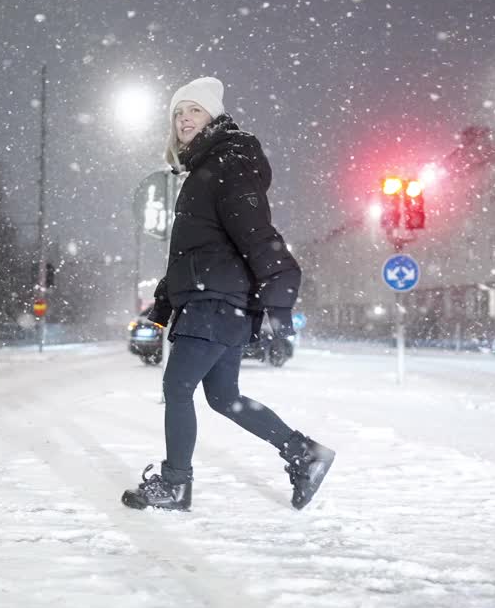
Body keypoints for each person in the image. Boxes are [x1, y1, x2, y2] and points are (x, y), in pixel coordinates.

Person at [121, 76, 335, 512]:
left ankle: (176, 485)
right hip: (215, 300)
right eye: (178, 113)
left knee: (178, 388)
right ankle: (302, 453)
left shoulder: (226, 165)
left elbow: (257, 235)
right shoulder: (204, 170)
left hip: (214, 302)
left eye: (194, 110)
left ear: (213, 116)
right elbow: (191, 253)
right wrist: (161, 308)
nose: (184, 119)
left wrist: (279, 299)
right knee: (224, 397)